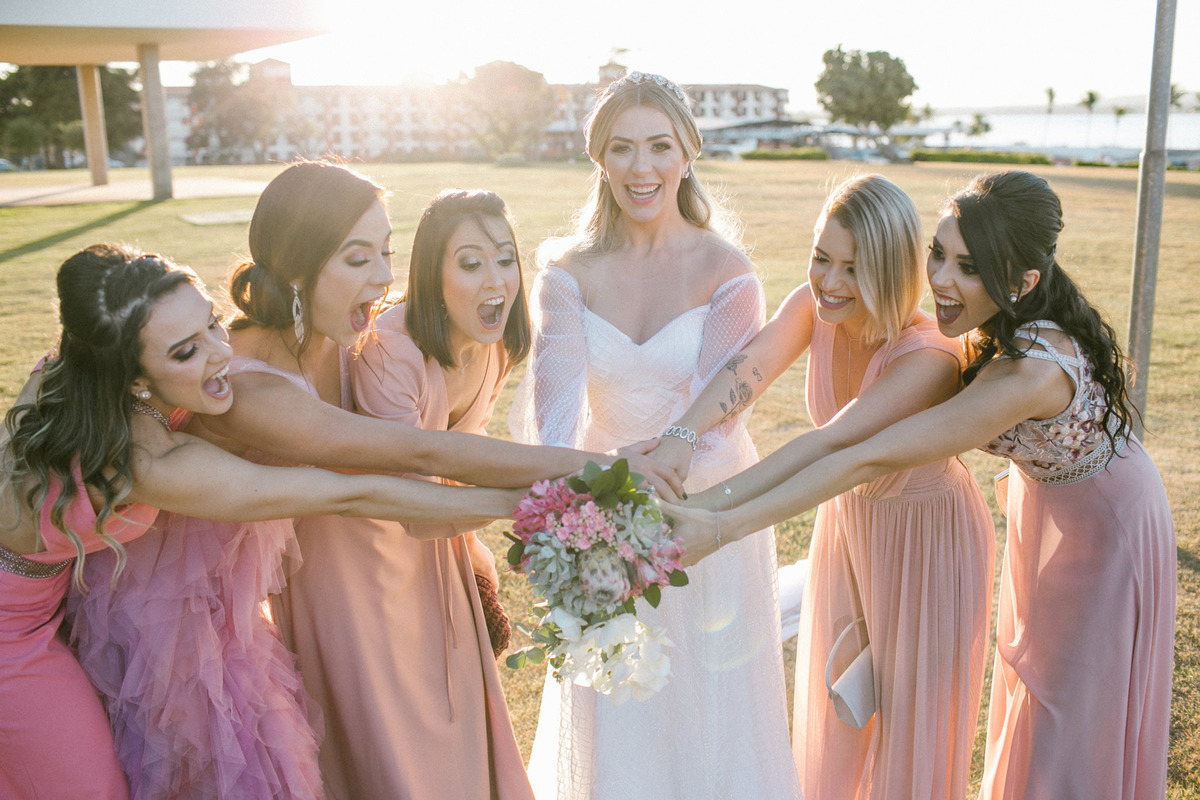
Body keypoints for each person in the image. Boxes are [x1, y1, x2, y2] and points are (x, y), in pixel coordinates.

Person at [670, 171, 1176, 799]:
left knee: (1072, 710)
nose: (939, 278)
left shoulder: (1023, 375)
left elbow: (858, 454)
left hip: (1107, 526)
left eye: (969, 267)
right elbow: (818, 423)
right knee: (1027, 686)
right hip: (1041, 507)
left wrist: (716, 524)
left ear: (1022, 283)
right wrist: (684, 455)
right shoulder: (991, 325)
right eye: (939, 254)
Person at [0, 244, 524, 800]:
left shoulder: (75, 372)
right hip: (13, 638)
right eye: (185, 352)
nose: (219, 354)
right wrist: (527, 504)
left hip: (53, 606)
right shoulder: (147, 463)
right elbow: (350, 494)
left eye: (211, 325)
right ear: (131, 375)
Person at [649, 174, 995, 798]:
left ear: (892, 271)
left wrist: (707, 513)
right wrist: (682, 434)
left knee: (908, 727)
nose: (829, 283)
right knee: (838, 708)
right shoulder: (819, 307)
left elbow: (833, 443)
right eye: (821, 259)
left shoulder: (930, 357)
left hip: (926, 538)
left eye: (853, 269)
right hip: (848, 528)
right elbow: (749, 369)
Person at [508, 71, 801, 799]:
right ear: (599, 159)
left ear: (688, 152)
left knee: (714, 715)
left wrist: (648, 489)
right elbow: (554, 417)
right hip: (596, 515)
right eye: (622, 149)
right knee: (617, 713)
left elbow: (715, 415)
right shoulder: (566, 276)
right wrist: (588, 504)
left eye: (659, 147)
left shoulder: (728, 273)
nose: (642, 169)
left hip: (705, 516)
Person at [274, 189, 534, 798]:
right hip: (366, 557)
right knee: (393, 739)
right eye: (470, 263)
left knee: (460, 726)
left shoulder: (498, 343)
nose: (495, 279)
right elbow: (414, 495)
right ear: (431, 277)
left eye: (505, 258)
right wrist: (540, 501)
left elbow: (467, 460)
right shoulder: (390, 350)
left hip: (440, 540)